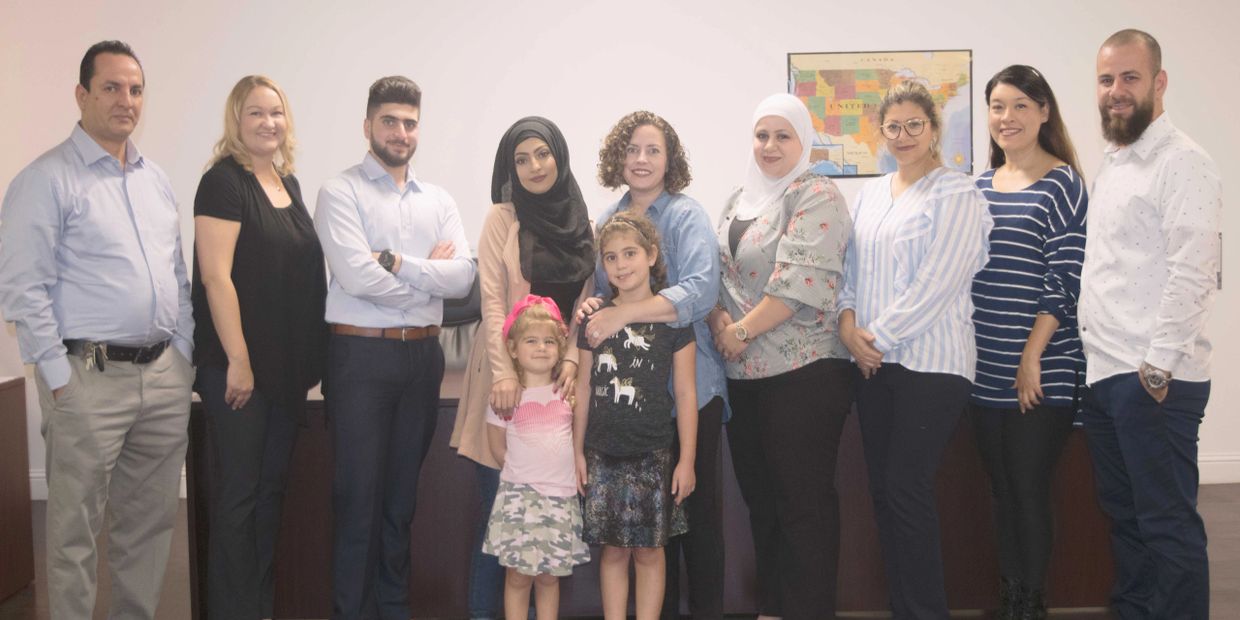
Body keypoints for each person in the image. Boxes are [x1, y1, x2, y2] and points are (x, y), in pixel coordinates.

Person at [0, 40, 195, 620]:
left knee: (149, 525)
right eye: (110, 87)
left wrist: (181, 353)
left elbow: (178, 278)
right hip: (86, 380)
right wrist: (58, 378)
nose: (125, 100)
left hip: (162, 379)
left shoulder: (155, 179)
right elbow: (22, 289)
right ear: (81, 94)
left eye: (135, 89)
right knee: (73, 533)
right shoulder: (45, 179)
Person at [314, 75, 476, 620]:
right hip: (360, 359)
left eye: (409, 123)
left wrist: (401, 263)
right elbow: (357, 277)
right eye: (389, 121)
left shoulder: (439, 199)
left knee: (401, 502)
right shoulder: (340, 192)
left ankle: (393, 610)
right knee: (358, 499)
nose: (400, 132)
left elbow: (463, 281)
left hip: (420, 361)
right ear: (367, 126)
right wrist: (429, 274)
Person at [1078, 29, 1222, 620]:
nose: (1116, 91)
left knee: (1166, 522)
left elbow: (1195, 271)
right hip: (1108, 372)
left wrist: (1157, 367)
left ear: (1159, 83)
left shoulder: (1182, 162)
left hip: (1152, 377)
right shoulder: (1117, 163)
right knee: (1127, 519)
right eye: (1107, 80)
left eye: (1130, 77)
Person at [837, 80, 992, 619]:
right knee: (884, 492)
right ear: (881, 133)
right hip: (873, 364)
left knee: (906, 487)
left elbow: (939, 283)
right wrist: (849, 327)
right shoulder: (872, 194)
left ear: (933, 130)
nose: (903, 136)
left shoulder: (957, 192)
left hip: (932, 365)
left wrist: (873, 338)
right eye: (893, 126)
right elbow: (849, 275)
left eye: (914, 125)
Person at [706, 93, 853, 619]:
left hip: (805, 374)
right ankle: (773, 609)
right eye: (762, 135)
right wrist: (719, 320)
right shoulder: (735, 201)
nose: (769, 146)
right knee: (763, 506)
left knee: (802, 509)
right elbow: (715, 277)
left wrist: (739, 329)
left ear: (803, 141)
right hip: (743, 376)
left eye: (782, 136)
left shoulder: (817, 194)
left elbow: (802, 283)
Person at [579, 110, 727, 619]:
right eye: (632, 149)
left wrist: (627, 313)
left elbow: (702, 293)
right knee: (643, 535)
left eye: (653, 150)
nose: (641, 160)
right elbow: (601, 298)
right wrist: (594, 307)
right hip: (627, 408)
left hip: (690, 389)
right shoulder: (606, 221)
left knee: (695, 521)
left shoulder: (687, 216)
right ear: (617, 157)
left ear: (670, 161)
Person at [191, 74, 328, 620]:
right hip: (238, 373)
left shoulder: (286, 183)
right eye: (255, 113)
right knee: (238, 501)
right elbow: (216, 279)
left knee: (269, 497)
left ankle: (260, 607)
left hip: (283, 374)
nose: (268, 122)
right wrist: (240, 363)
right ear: (236, 121)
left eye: (276, 112)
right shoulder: (223, 183)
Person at [449, 116, 594, 620]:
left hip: (559, 387)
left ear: (560, 155)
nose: (534, 166)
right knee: (502, 532)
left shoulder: (582, 222)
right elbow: (492, 301)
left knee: (549, 542)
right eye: (521, 158)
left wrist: (572, 358)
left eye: (542, 154)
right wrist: (505, 373)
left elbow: (585, 304)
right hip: (505, 386)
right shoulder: (502, 219)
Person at [970, 65, 1088, 620]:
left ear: (1044, 112)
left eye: (1020, 105)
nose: (1007, 117)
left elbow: (1064, 280)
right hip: (983, 368)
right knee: (1000, 494)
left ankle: (1030, 605)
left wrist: (1031, 359)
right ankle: (1010, 598)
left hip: (1040, 366)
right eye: (997, 106)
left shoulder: (1064, 183)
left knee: (1027, 490)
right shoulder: (976, 186)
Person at [574, 212, 697, 620]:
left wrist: (688, 461)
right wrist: (577, 452)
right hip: (603, 451)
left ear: (651, 255)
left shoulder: (674, 320)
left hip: (653, 451)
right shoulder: (593, 318)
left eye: (630, 253)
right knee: (613, 550)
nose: (621, 264)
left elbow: (685, 392)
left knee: (649, 550)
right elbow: (583, 388)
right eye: (610, 257)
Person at [481, 296, 591, 620]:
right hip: (519, 498)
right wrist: (522, 477)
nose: (541, 348)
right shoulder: (507, 396)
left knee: (549, 577)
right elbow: (497, 447)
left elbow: (576, 439)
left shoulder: (567, 394)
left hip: (561, 498)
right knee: (518, 576)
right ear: (513, 349)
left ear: (559, 348)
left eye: (548, 341)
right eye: (531, 340)